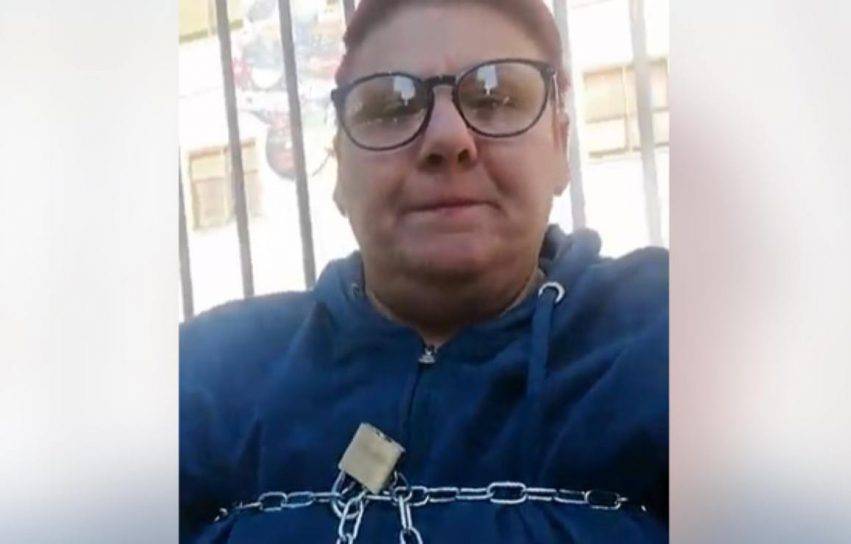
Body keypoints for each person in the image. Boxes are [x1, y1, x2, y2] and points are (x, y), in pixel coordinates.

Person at [180, 0, 668, 541]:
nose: (447, 139)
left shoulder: (671, 334)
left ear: (560, 144)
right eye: (390, 108)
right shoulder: (204, 377)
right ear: (339, 168)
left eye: (497, 98)